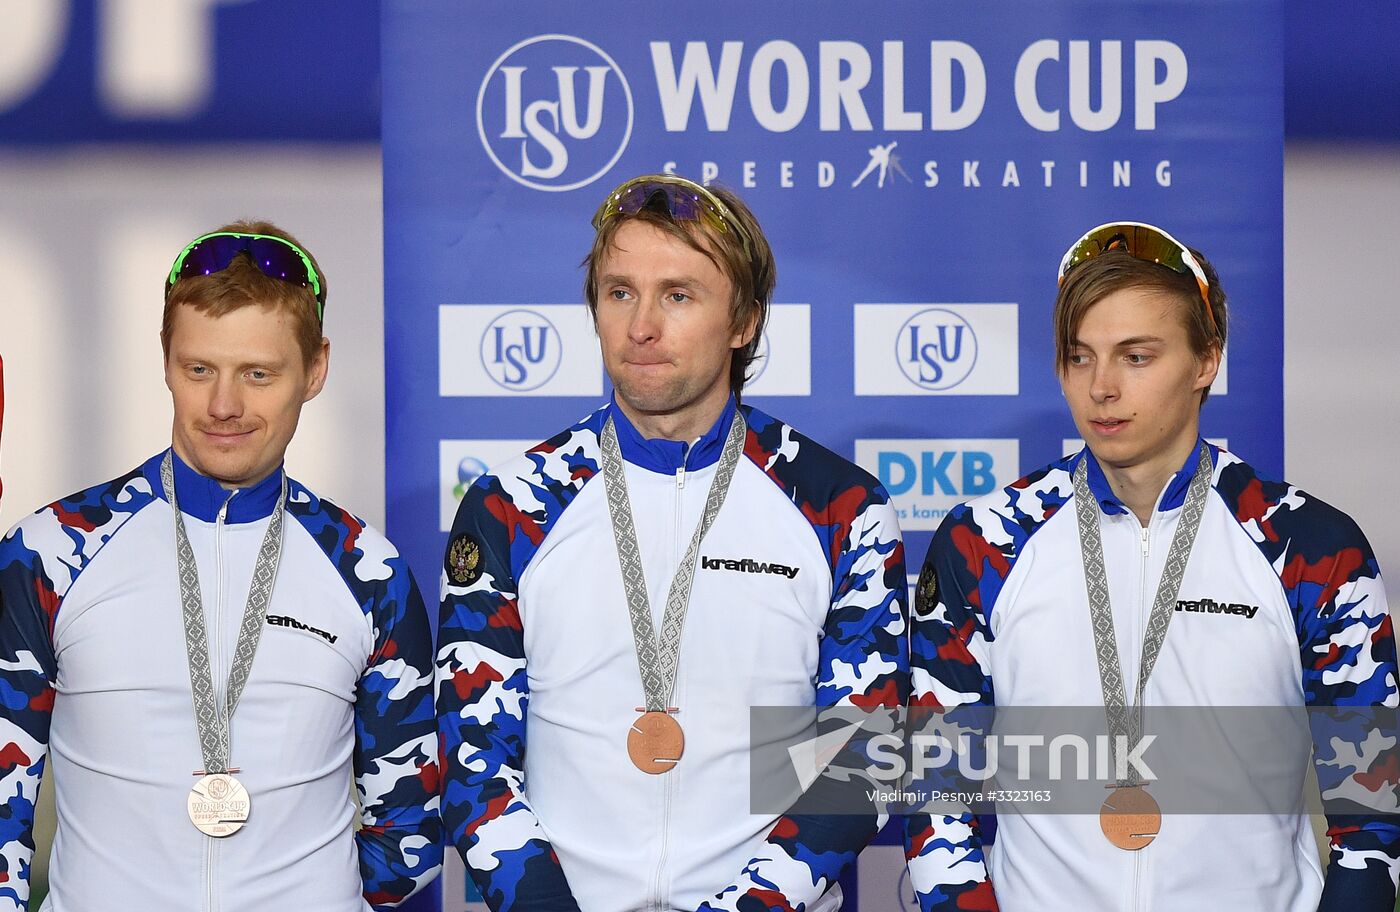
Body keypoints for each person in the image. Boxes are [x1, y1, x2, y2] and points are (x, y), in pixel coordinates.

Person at [437, 174, 909, 911]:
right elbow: (474, 766)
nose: (641, 325)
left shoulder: (840, 508)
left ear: (744, 322)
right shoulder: (510, 507)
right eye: (620, 292)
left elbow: (862, 760)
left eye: (679, 295)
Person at [904, 222, 1399, 910]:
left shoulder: (1313, 546)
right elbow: (934, 792)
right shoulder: (983, 542)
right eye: (1080, 358)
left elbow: (1372, 814)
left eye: (1137, 357)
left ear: (1207, 361)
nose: (1102, 387)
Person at [0, 222, 441, 911]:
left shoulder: (369, 573)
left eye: (258, 374)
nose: (224, 406)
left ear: (315, 369)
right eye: (198, 369)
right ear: (165, 359)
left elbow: (411, 830)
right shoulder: (52, 550)